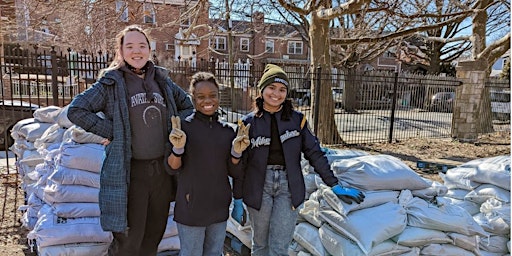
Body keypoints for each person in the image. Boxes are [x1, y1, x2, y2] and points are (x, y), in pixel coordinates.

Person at [67, 25, 194, 256]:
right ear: (121, 51)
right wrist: (113, 130)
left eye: (142, 46)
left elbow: (187, 106)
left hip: (162, 172)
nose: (137, 51)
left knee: (153, 235)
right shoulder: (111, 83)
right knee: (129, 240)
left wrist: (176, 129)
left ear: (149, 49)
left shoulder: (162, 81)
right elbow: (77, 110)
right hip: (130, 172)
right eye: (130, 46)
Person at [238, 64, 365, 255]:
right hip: (258, 186)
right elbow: (240, 162)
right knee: (260, 244)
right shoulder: (248, 123)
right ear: (262, 89)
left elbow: (314, 153)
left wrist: (333, 183)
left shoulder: (297, 120)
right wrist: (237, 196)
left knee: (279, 246)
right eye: (271, 88)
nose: (276, 94)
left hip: (289, 186)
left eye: (282, 90)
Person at [166, 71, 250, 256]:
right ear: (193, 98)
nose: (207, 101)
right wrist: (177, 149)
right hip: (191, 207)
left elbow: (235, 172)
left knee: (214, 253)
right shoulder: (183, 128)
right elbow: (172, 167)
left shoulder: (228, 132)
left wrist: (236, 153)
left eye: (212, 95)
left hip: (218, 207)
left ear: (219, 96)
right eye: (201, 97)